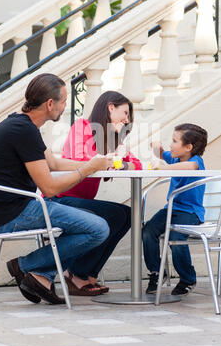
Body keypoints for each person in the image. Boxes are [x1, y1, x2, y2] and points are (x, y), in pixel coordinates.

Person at [0, 73, 114, 305]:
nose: (64, 106)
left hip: (13, 208)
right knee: (99, 228)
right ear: (50, 104)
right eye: (63, 101)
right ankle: (25, 266)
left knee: (91, 220)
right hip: (14, 214)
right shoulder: (24, 131)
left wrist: (94, 163)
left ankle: (42, 275)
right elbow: (49, 187)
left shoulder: (21, 124)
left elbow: (53, 164)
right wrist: (88, 169)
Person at [49, 91, 142, 295]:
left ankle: (87, 273)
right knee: (116, 215)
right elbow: (82, 158)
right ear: (110, 107)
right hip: (62, 199)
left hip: (81, 201)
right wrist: (114, 157)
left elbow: (137, 164)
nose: (126, 120)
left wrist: (119, 161)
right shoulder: (82, 126)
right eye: (124, 113)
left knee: (128, 215)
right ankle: (76, 274)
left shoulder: (114, 139)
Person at [142, 123, 208, 296]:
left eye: (174, 141)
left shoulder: (195, 162)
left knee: (176, 237)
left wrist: (163, 167)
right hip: (171, 209)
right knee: (148, 231)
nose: (170, 145)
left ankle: (187, 278)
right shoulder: (176, 159)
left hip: (190, 213)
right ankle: (157, 272)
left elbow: (189, 168)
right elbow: (162, 154)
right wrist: (156, 147)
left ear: (188, 147)